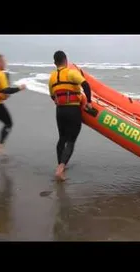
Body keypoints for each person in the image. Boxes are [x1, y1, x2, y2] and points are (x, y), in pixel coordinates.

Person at [48, 50, 92, 181]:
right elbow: (86, 85)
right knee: (71, 140)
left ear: (55, 63)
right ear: (66, 60)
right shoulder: (72, 73)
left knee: (62, 138)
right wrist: (88, 102)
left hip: (60, 111)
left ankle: (60, 165)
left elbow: (52, 96)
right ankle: (61, 168)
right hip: (72, 110)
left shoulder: (52, 77)